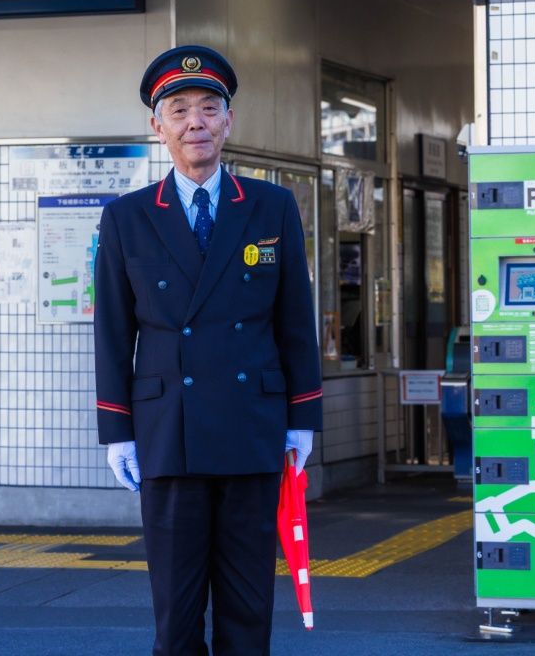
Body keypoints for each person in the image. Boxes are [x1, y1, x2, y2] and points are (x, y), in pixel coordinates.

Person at [93, 45, 323, 656]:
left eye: (209, 107)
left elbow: (295, 318)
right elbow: (115, 332)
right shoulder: (127, 218)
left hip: (253, 428)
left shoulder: (270, 206)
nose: (195, 121)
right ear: (157, 126)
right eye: (179, 109)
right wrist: (117, 430)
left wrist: (303, 416)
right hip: (170, 431)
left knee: (249, 606)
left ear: (229, 120)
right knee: (176, 608)